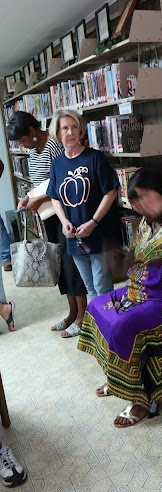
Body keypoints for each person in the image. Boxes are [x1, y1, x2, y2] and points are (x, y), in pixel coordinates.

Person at [78, 168, 162, 427]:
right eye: (133, 200)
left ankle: (140, 399)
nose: (137, 206)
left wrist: (131, 263)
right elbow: (137, 259)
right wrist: (122, 262)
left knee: (123, 325)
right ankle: (118, 378)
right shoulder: (146, 223)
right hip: (139, 288)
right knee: (97, 306)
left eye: (143, 197)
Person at [6, 111, 87, 338]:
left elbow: (61, 178)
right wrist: (28, 197)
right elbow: (38, 182)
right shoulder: (33, 152)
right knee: (58, 262)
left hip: (64, 212)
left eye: (21, 139)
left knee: (72, 264)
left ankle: (83, 315)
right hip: (47, 215)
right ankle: (71, 313)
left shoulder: (53, 145)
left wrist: (38, 199)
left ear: (32, 132)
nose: (21, 144)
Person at [47, 109, 120, 319]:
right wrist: (63, 222)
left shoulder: (94, 158)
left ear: (80, 131)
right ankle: (101, 327)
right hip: (74, 238)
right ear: (58, 134)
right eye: (65, 128)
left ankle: (113, 329)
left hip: (99, 233)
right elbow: (54, 197)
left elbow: (111, 191)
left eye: (74, 127)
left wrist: (94, 222)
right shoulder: (57, 164)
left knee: (102, 284)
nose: (70, 132)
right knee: (90, 286)